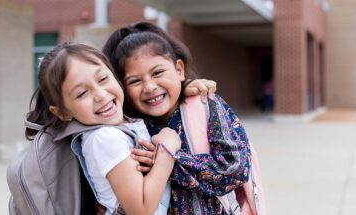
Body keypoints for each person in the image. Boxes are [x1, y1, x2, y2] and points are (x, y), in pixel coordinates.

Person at [103, 22, 252, 214]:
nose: (149, 87)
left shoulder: (206, 104)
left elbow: (235, 169)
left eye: (157, 72)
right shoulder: (132, 127)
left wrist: (169, 161)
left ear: (179, 70)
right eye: (135, 81)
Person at [26, 42, 183, 215]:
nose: (101, 95)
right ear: (62, 112)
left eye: (103, 79)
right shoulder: (105, 138)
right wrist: (167, 149)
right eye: (82, 93)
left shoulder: (120, 125)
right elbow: (141, 210)